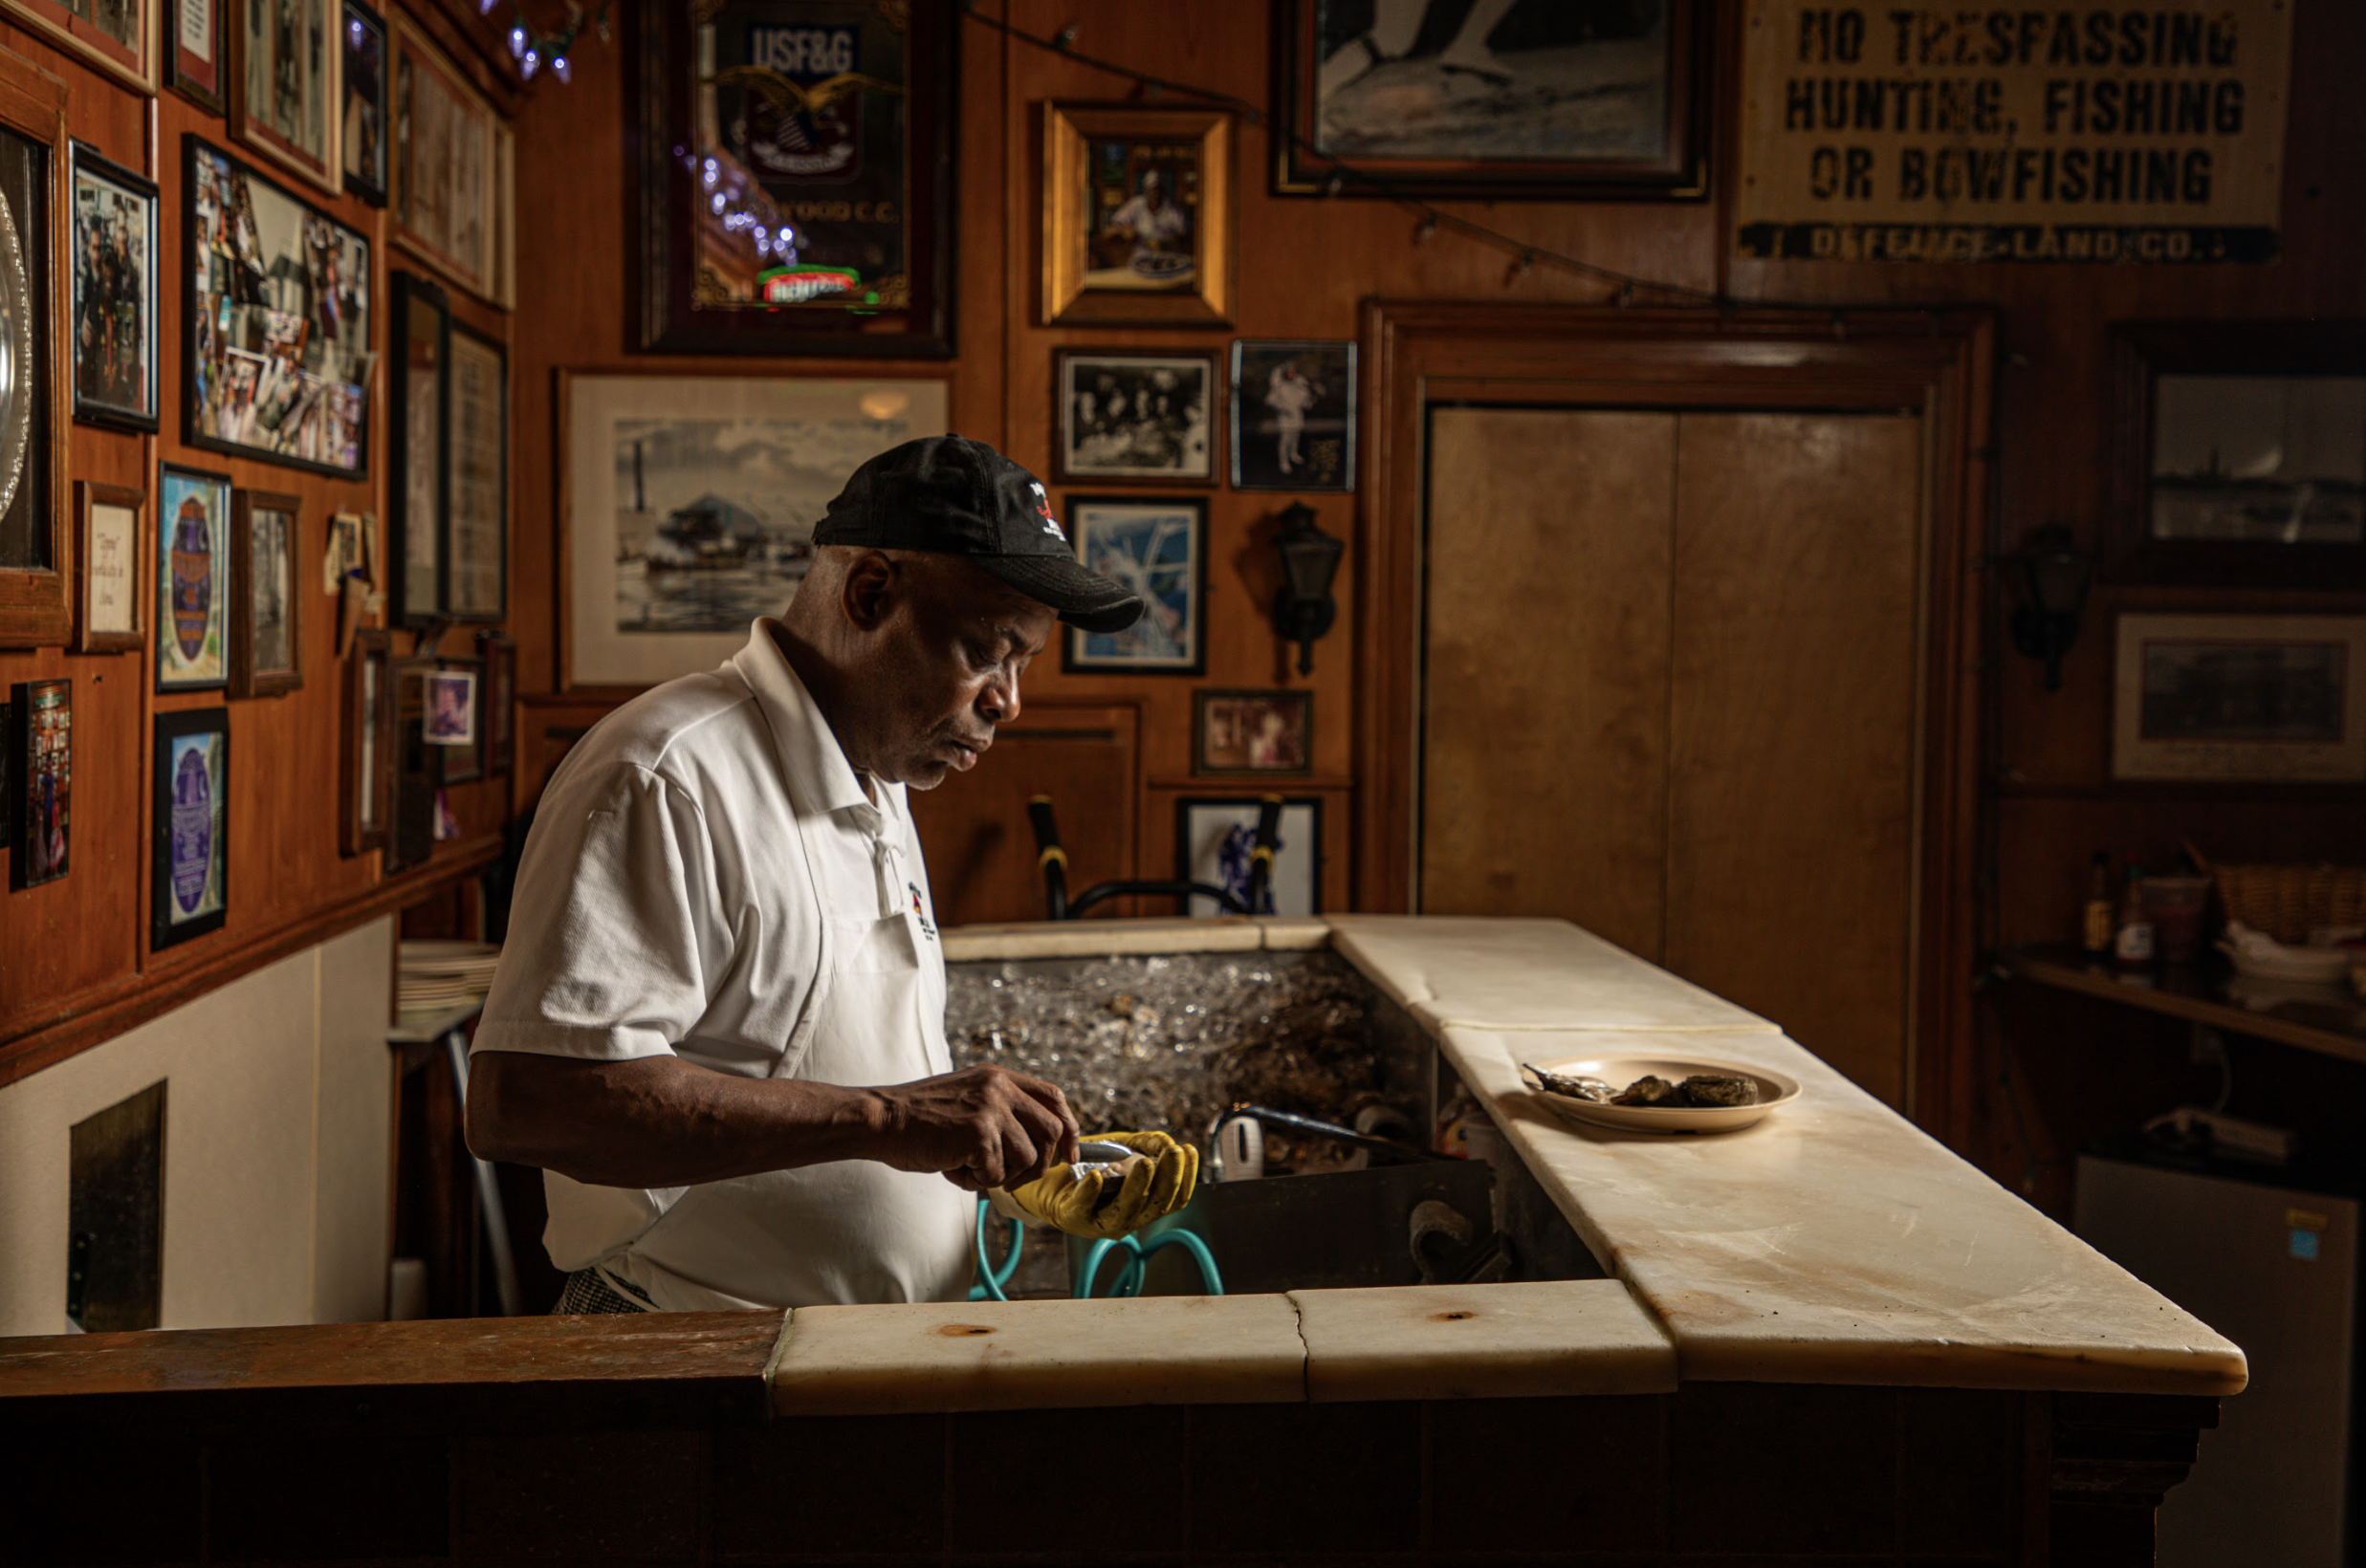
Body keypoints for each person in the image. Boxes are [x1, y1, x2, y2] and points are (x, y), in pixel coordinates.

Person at [466, 436, 1197, 1314]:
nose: (1009, 699)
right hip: (686, 1355)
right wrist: (892, 1120)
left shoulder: (879, 770)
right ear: (871, 593)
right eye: (985, 650)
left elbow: (822, 1060)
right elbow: (529, 1102)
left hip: (847, 1364)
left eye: (1023, 662)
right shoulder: (665, 774)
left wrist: (996, 1157)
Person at [1102, 167, 1191, 268]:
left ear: (1163, 191)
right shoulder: (1136, 205)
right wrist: (1124, 230)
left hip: (1167, 258)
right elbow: (1111, 227)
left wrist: (1171, 241)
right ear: (1146, 191)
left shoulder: (1173, 210)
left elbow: (1185, 234)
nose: (1155, 195)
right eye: (1152, 191)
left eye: (1158, 190)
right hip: (1141, 257)